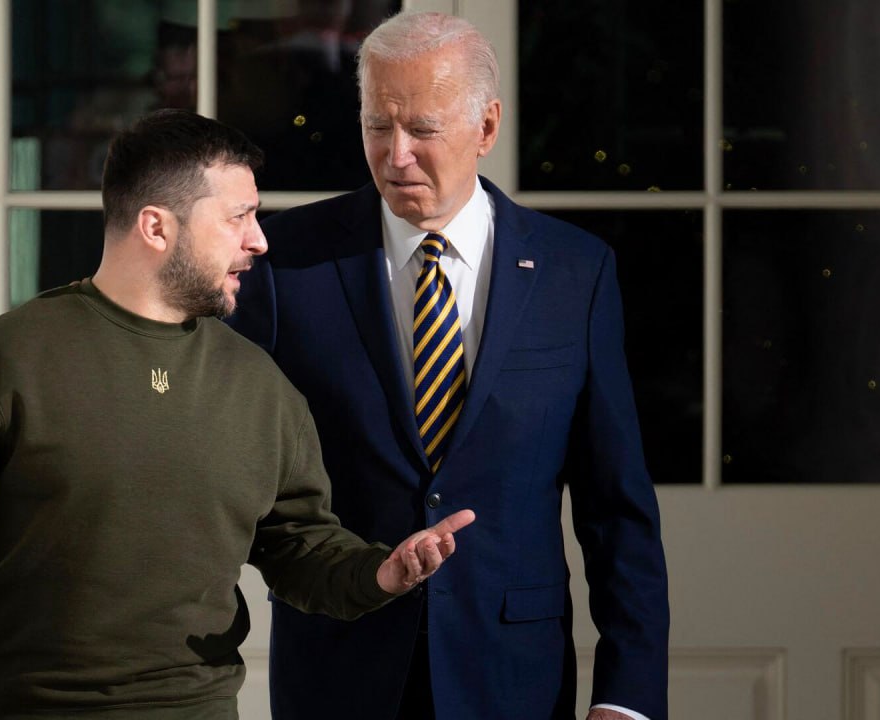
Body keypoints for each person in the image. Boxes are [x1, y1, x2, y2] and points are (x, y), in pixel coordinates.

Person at [0, 108, 475, 720]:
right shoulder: (8, 359)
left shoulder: (260, 385)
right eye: (238, 217)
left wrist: (380, 573)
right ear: (156, 227)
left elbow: (300, 549)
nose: (259, 240)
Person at [226, 11, 668, 720]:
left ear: (486, 128)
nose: (396, 155)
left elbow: (616, 509)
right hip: (338, 671)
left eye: (422, 129)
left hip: (512, 676)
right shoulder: (287, 264)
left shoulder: (574, 273)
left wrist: (628, 697)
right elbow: (226, 472)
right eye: (377, 126)